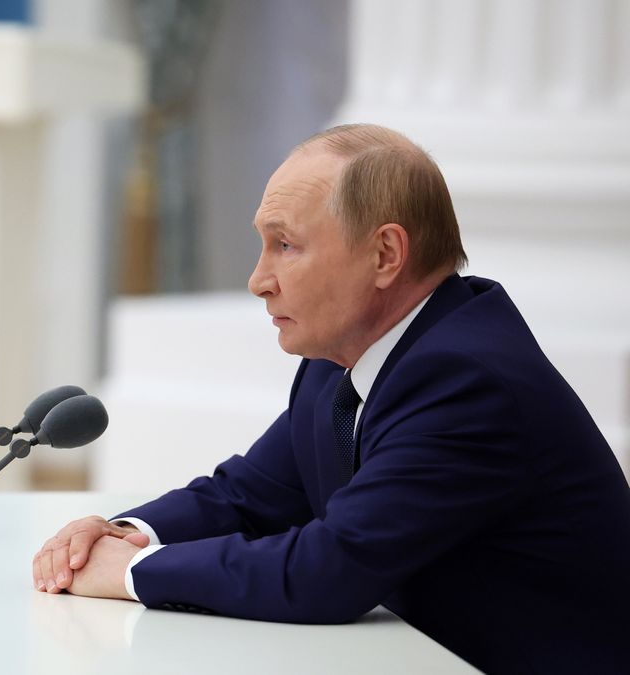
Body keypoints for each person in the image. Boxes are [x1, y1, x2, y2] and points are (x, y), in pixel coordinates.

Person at [31, 124, 630, 673]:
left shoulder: (466, 379)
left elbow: (330, 571)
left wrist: (132, 573)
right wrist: (125, 533)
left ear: (385, 255)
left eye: (285, 245)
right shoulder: (345, 358)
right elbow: (246, 496)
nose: (258, 278)